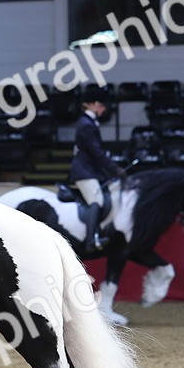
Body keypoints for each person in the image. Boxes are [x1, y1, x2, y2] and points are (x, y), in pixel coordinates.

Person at [70, 94, 126, 252]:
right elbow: (96, 153)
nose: (103, 109)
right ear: (91, 105)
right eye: (100, 105)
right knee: (97, 200)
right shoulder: (86, 124)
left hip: (91, 170)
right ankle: (90, 240)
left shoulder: (89, 123)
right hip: (84, 171)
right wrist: (114, 169)